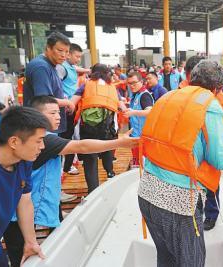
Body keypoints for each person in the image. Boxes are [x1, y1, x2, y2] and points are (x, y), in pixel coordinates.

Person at [138, 60, 223, 266]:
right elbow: (220, 158)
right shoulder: (209, 104)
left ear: (191, 77)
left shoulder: (168, 96)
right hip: (177, 202)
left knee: (166, 257)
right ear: (217, 88)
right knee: (191, 261)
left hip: (147, 192)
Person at [3, 96, 139, 266]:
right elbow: (82, 146)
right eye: (52, 113)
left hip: (34, 203)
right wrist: (120, 142)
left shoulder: (42, 140)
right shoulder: (47, 140)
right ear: (36, 117)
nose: (59, 116)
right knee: (20, 255)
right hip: (25, 212)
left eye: (58, 112)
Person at [179, 55, 223, 230]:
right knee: (196, 179)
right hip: (193, 143)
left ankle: (211, 215)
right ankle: (196, 211)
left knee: (211, 179)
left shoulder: (222, 90)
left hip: (217, 141)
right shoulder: (182, 93)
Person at [0, 107, 48, 266]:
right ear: (14, 142)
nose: (42, 146)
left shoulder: (23, 162)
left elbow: (24, 200)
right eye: (38, 140)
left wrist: (30, 241)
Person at [72, 63, 124, 193]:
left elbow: (73, 103)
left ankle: (92, 189)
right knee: (107, 149)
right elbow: (121, 105)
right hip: (108, 126)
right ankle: (110, 173)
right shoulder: (111, 87)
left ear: (92, 73)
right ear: (107, 74)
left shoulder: (86, 85)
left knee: (90, 156)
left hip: (88, 127)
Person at [23, 32, 75, 136]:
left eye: (67, 52)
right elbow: (43, 100)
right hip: (41, 126)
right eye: (60, 50)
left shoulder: (51, 65)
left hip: (47, 125)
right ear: (48, 48)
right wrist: (67, 102)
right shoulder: (41, 67)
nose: (64, 55)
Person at [56, 43, 84, 186]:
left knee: (71, 135)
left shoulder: (71, 67)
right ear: (69, 55)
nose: (78, 59)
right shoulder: (62, 68)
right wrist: (65, 100)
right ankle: (63, 169)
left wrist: (88, 70)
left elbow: (76, 68)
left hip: (71, 108)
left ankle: (68, 164)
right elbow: (56, 83)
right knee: (65, 138)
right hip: (65, 109)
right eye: (77, 56)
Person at [124, 72, 154, 170]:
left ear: (141, 82)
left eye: (134, 83)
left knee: (143, 167)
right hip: (136, 138)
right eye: (129, 83)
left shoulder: (144, 96)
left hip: (143, 139)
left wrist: (133, 112)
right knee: (137, 165)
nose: (132, 86)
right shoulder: (136, 95)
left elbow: (150, 112)